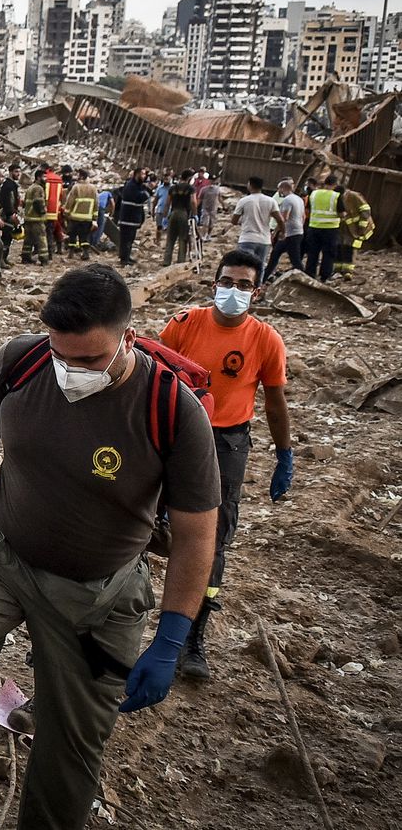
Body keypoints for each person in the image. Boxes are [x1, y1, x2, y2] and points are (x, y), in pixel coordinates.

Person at [0, 264, 219, 830]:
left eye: (88, 360)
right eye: (62, 355)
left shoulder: (173, 410)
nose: (70, 371)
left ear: (129, 338)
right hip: (3, 551)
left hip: (97, 586)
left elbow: (198, 534)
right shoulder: (24, 361)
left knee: (73, 735)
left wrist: (172, 637)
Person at [160, 248, 292, 679]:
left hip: (226, 443)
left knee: (212, 540)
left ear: (257, 291)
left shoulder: (265, 340)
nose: (231, 292)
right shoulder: (184, 324)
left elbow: (274, 401)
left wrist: (284, 453)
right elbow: (150, 376)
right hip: (174, 432)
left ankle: (189, 637)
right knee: (139, 521)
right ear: (213, 283)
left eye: (242, 286)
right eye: (225, 283)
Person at [231, 177, 283, 281]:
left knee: (244, 266)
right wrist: (280, 232)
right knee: (260, 266)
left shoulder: (244, 201)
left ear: (250, 185)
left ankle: (244, 287)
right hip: (264, 240)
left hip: (247, 238)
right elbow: (280, 220)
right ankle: (256, 289)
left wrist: (244, 219)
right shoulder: (271, 201)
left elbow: (234, 221)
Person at [303, 173, 345, 282]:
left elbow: (307, 210)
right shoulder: (336, 196)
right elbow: (342, 213)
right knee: (328, 253)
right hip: (330, 229)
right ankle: (324, 276)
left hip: (314, 227)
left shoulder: (314, 194)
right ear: (335, 185)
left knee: (312, 252)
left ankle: (310, 274)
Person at [265, 178, 305, 278]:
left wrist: (276, 232)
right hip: (297, 231)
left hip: (290, 233)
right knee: (275, 254)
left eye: (279, 189)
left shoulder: (287, 200)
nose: (278, 192)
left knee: (294, 260)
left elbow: (283, 218)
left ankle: (304, 278)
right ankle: (263, 278)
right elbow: (303, 216)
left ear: (283, 188)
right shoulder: (298, 199)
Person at [334, 185, 374, 278]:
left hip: (355, 229)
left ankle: (348, 271)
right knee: (339, 247)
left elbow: (366, 211)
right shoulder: (337, 197)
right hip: (344, 227)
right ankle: (337, 269)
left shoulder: (354, 196)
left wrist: (361, 227)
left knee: (350, 248)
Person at [161, 169, 197, 267]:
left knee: (170, 239)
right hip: (184, 214)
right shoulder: (190, 188)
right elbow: (193, 202)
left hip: (173, 213)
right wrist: (195, 214)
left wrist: (164, 217)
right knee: (183, 239)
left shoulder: (173, 188)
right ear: (189, 178)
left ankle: (166, 261)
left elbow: (167, 203)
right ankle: (180, 262)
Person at [61, 169, 98, 260]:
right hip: (87, 218)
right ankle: (85, 253)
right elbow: (96, 203)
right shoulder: (93, 188)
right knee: (84, 237)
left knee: (73, 235)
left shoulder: (76, 187)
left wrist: (66, 213)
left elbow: (70, 201)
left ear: (81, 176)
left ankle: (71, 253)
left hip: (75, 217)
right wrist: (94, 217)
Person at [117, 167, 149, 266]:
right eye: (142, 174)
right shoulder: (131, 186)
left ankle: (126, 257)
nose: (144, 176)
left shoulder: (137, 186)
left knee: (129, 240)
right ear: (136, 174)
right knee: (126, 240)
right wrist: (147, 193)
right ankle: (124, 259)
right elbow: (139, 198)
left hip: (133, 218)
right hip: (128, 218)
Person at [21, 167, 51, 266]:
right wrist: (43, 212)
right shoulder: (39, 188)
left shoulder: (30, 187)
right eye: (44, 177)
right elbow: (38, 202)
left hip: (28, 218)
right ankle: (44, 259)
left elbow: (25, 203)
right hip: (36, 219)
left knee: (28, 239)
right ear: (38, 178)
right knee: (41, 239)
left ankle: (25, 257)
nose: (45, 179)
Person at [0, 162, 23, 263]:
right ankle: (1, 259)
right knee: (6, 237)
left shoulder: (12, 185)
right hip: (8, 215)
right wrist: (11, 213)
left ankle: (4, 258)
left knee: (8, 237)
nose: (18, 174)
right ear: (10, 172)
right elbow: (8, 201)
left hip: (10, 214)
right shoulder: (8, 186)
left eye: (19, 172)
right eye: (16, 172)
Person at [89, 181, 116, 251]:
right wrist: (111, 214)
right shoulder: (109, 193)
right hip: (100, 208)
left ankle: (89, 242)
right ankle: (95, 243)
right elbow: (112, 204)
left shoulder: (100, 194)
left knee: (94, 225)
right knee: (101, 225)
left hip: (93, 207)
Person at [44, 166, 65, 256]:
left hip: (46, 211)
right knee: (57, 229)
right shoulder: (59, 179)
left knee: (47, 232)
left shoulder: (46, 178)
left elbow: (44, 195)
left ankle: (49, 251)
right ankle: (59, 249)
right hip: (57, 210)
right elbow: (61, 195)